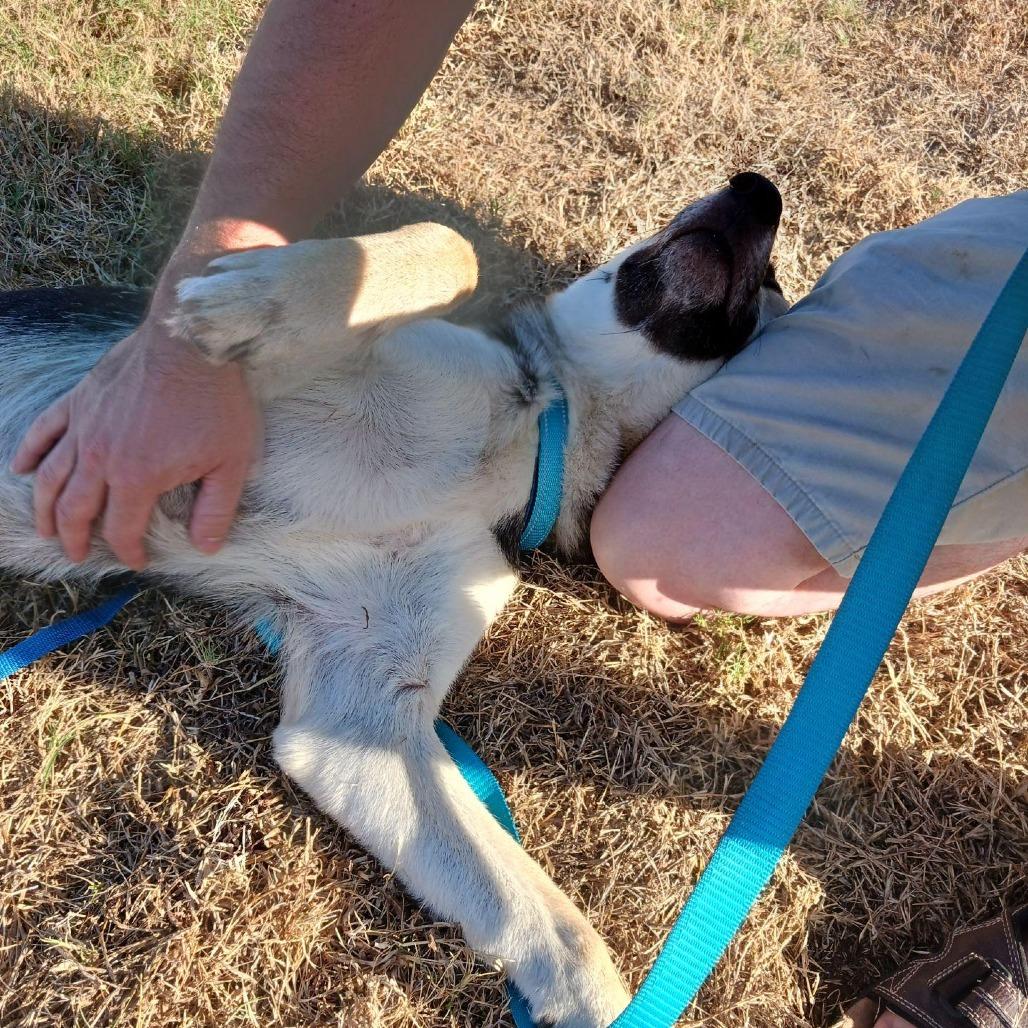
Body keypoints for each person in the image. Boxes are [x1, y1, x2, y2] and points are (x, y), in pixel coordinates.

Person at [10, 3, 1025, 1025]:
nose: (752, 263)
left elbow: (346, 739)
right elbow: (319, 305)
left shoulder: (474, 571)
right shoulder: (471, 362)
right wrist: (430, 259)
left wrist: (575, 976)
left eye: (758, 301)